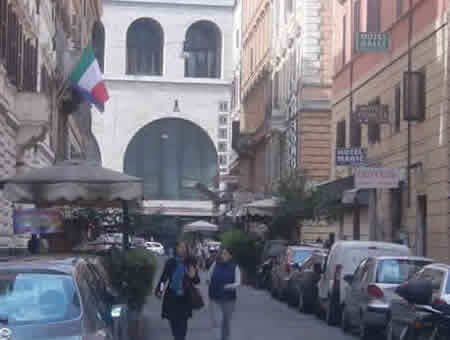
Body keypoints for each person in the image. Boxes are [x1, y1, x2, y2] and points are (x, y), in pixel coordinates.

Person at [155, 241, 200, 340]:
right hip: (171, 297)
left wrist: (193, 276)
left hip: (184, 298)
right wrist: (160, 290)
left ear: (187, 250)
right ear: (176, 249)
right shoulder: (170, 262)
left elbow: (197, 281)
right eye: (180, 247)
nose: (182, 249)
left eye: (184, 247)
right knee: (174, 324)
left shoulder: (190, 263)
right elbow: (164, 279)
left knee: (182, 327)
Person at [208, 247, 241, 340]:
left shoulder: (235, 267)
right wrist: (209, 281)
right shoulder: (215, 264)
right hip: (215, 297)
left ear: (230, 256)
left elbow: (238, 282)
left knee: (226, 321)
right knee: (218, 321)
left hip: (229, 298)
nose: (223, 255)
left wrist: (229, 286)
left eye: (226, 254)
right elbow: (209, 276)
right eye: (222, 253)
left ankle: (225, 337)